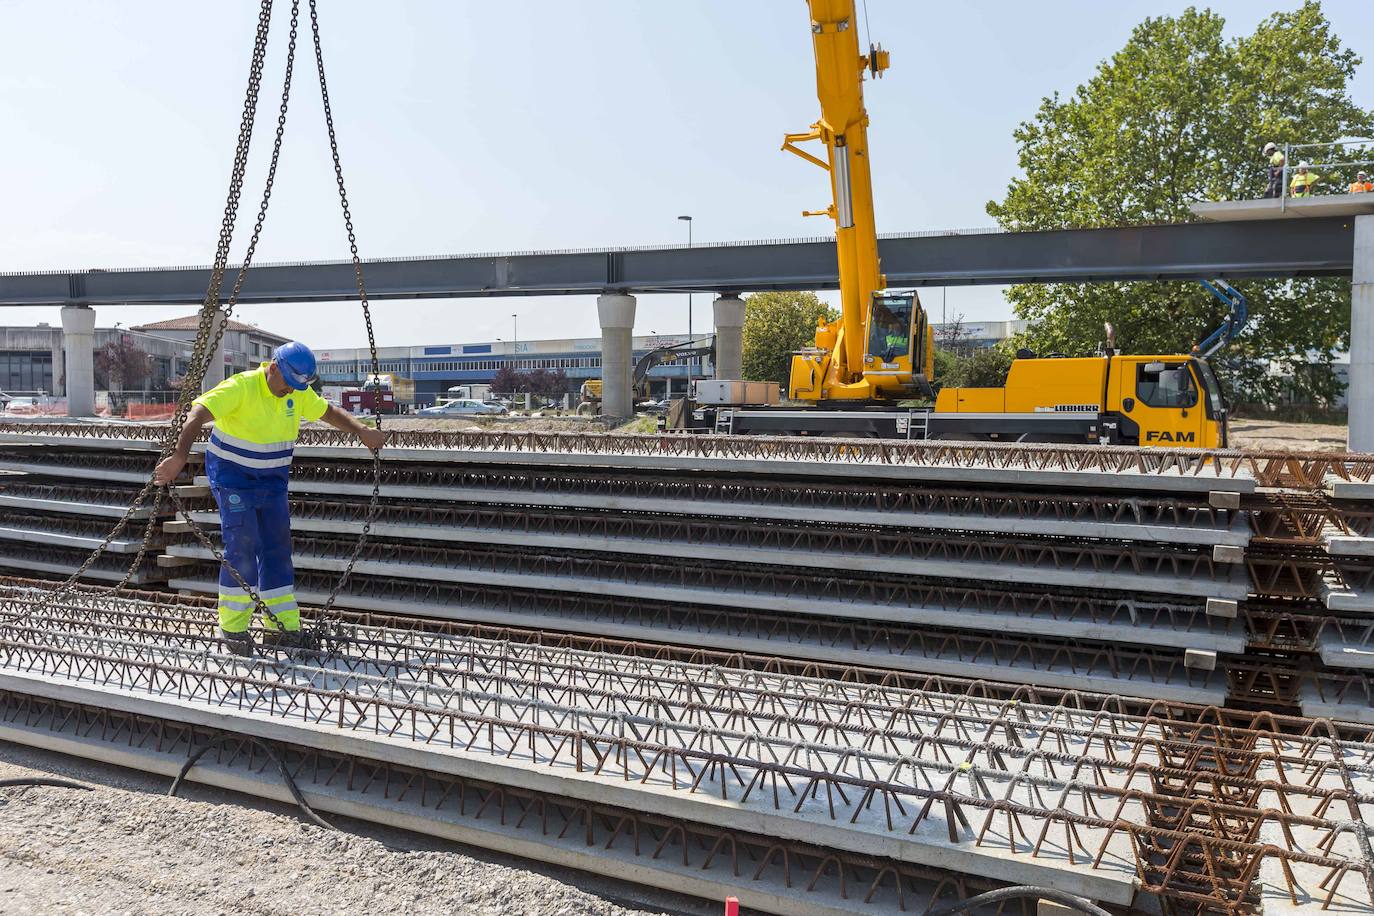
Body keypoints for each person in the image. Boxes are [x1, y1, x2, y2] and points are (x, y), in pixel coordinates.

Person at [154, 341, 386, 655]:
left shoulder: (296, 391)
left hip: (272, 481)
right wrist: (179, 457)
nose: (290, 392)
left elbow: (326, 410)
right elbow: (196, 415)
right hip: (234, 478)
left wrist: (361, 430)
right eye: (288, 385)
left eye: (297, 387)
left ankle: (282, 625)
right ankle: (234, 627)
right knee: (243, 546)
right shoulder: (241, 387)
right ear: (273, 367)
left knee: (277, 550)